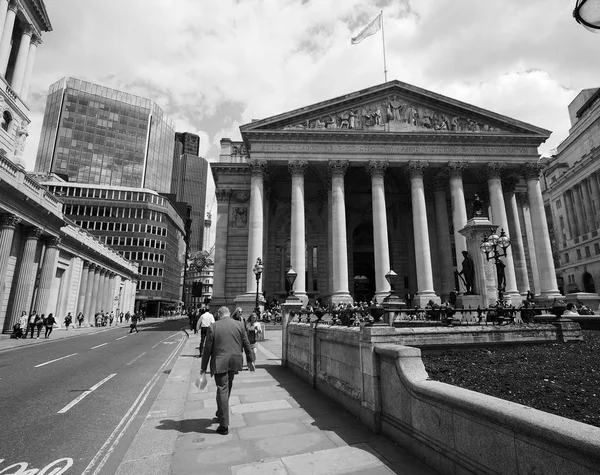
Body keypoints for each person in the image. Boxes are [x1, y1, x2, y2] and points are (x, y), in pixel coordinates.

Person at [200, 306, 254, 435]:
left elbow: (207, 349)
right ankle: (220, 411)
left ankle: (224, 425)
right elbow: (246, 343)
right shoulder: (239, 325)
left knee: (222, 388)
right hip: (235, 361)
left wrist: (203, 368)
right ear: (229, 314)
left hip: (220, 362)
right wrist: (250, 360)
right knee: (227, 385)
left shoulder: (214, 326)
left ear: (219, 314)